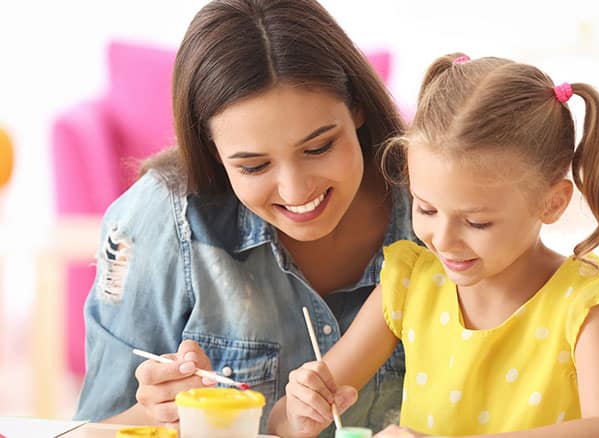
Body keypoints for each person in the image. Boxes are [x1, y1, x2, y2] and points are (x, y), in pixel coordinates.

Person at [74, 0, 416, 434]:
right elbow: (93, 428)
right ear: (213, 153)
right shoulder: (158, 220)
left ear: (357, 107)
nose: (297, 192)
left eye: (319, 147)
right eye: (253, 167)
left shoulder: (439, 210)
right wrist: (169, 414)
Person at [269, 54, 599, 438]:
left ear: (553, 203)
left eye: (476, 222)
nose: (443, 240)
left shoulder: (583, 302)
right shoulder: (410, 283)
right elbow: (282, 420)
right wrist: (301, 408)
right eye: (426, 208)